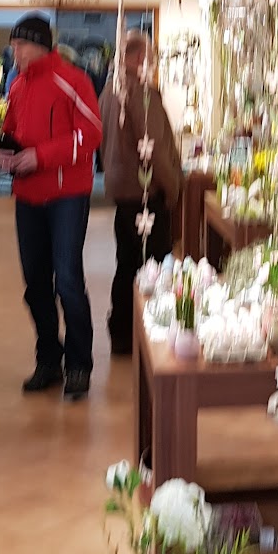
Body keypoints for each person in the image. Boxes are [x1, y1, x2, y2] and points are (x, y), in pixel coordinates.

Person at [0, 14, 100, 400]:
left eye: (20, 45)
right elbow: (11, 130)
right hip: (28, 196)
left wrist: (40, 156)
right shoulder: (18, 84)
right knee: (35, 283)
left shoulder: (74, 80)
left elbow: (91, 133)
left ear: (40, 45)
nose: (15, 52)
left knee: (68, 280)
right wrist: (5, 152)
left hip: (67, 196)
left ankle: (79, 365)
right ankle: (48, 359)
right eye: (13, 45)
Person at [100, 31, 183, 356]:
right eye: (153, 58)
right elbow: (154, 149)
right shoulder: (140, 92)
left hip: (123, 193)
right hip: (146, 193)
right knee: (153, 266)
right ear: (139, 59)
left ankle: (122, 332)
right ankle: (147, 334)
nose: (155, 65)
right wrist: (173, 186)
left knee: (127, 263)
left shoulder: (109, 91)